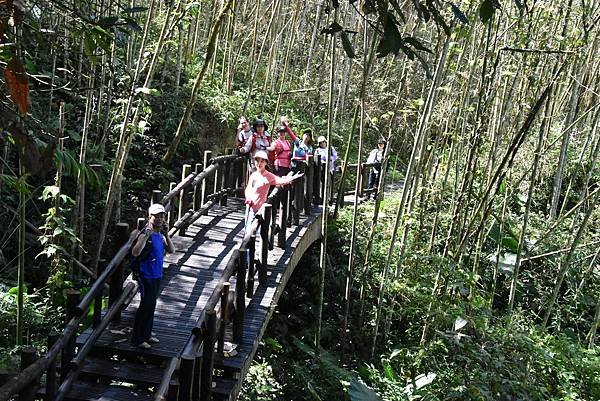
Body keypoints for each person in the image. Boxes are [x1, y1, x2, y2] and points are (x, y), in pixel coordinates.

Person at [131, 203, 175, 349]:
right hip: (146, 275)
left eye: (162, 216)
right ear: (150, 217)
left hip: (157, 274)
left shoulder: (160, 234)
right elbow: (135, 252)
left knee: (151, 305)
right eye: (156, 216)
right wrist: (146, 236)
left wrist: (167, 234)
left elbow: (171, 250)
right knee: (145, 305)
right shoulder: (145, 233)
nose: (160, 219)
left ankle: (147, 334)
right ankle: (138, 339)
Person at [244, 150, 297, 232]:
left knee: (253, 232)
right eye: (257, 161)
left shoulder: (268, 176)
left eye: (262, 161)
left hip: (260, 209)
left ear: (266, 163)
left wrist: (289, 179)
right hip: (250, 207)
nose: (259, 163)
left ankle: (273, 231)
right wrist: (248, 197)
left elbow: (279, 180)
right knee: (248, 232)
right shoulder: (253, 175)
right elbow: (248, 189)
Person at [314, 135, 337, 204]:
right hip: (321, 170)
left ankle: (329, 198)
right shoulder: (318, 150)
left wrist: (330, 159)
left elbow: (335, 156)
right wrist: (322, 161)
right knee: (322, 184)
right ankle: (322, 199)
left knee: (329, 184)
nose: (323, 143)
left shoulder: (331, 148)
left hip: (330, 168)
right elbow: (316, 159)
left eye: (324, 142)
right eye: (321, 142)